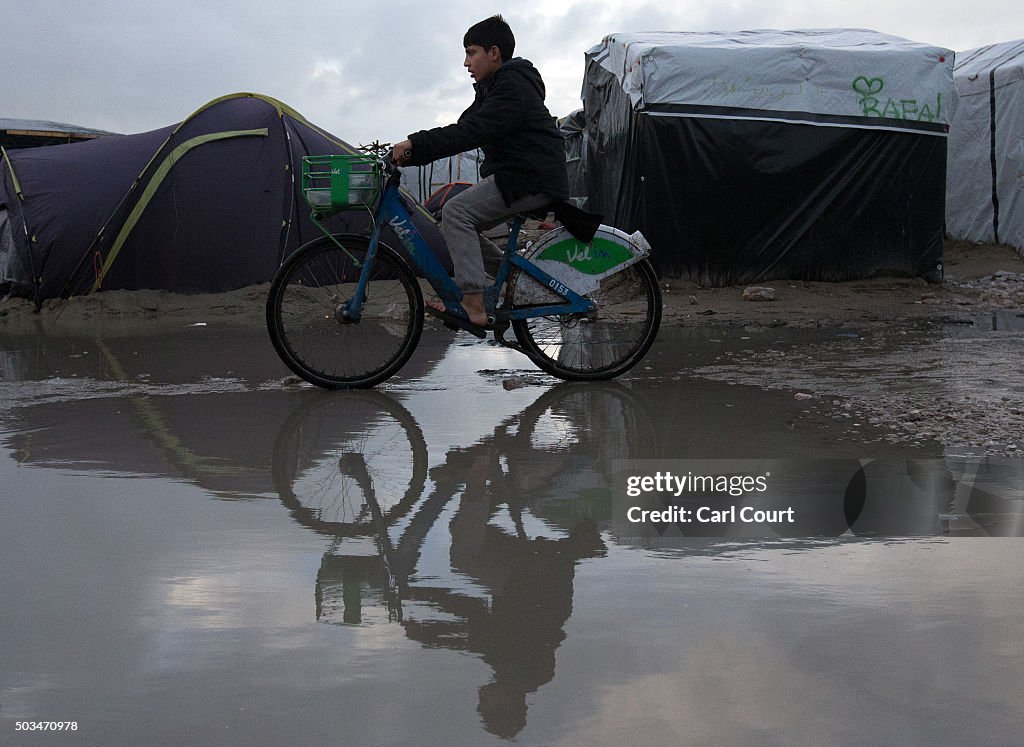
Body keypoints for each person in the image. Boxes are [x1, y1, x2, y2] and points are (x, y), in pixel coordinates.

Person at [392, 14, 569, 330]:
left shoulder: (512, 87)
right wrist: (412, 153)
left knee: (456, 213)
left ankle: (472, 303)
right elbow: (461, 130)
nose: (465, 62)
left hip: (529, 178)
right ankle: (514, 277)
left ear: (494, 52)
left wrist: (414, 144)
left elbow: (470, 132)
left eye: (471, 52)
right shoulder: (494, 88)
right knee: (455, 221)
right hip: (521, 176)